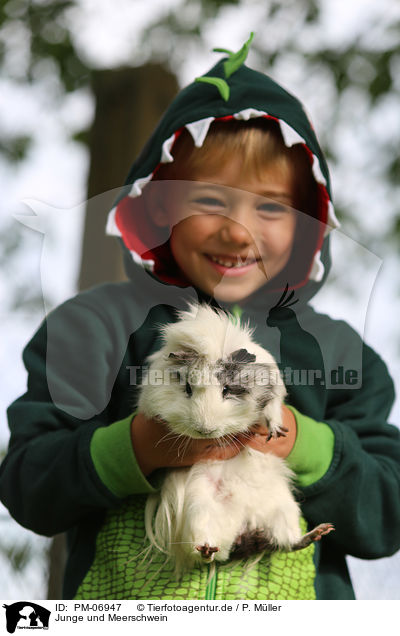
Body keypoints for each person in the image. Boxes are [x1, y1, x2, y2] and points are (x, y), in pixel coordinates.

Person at [1, 35, 400, 601]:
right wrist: (136, 449)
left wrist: (296, 441)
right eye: (209, 200)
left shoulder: (339, 356)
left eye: (270, 207)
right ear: (158, 203)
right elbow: (27, 483)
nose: (238, 230)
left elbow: (389, 512)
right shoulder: (89, 330)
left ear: (308, 226)